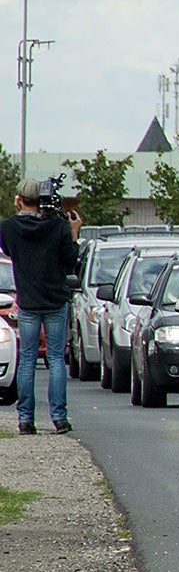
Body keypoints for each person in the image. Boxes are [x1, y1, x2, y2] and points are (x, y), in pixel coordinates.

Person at [0, 178, 83, 434]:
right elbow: (71, 260)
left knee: (27, 359)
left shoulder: (9, 227)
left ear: (20, 199)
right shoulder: (57, 226)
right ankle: (59, 417)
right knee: (56, 359)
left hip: (27, 300)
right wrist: (74, 233)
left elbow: (8, 250)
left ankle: (25, 419)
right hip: (55, 299)